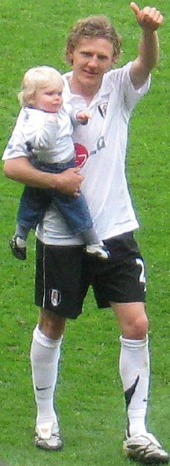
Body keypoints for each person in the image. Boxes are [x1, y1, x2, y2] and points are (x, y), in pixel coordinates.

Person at [3, 2, 169, 463]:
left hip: (115, 229)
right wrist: (57, 182)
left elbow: (146, 64)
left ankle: (138, 431)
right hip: (60, 236)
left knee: (136, 323)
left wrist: (147, 32)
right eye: (85, 55)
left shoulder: (120, 88)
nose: (93, 63)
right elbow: (11, 164)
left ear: (113, 58)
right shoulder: (47, 96)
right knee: (52, 324)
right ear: (70, 54)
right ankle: (45, 420)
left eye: (102, 55)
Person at [3, 65, 109, 261]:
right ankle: (93, 242)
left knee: (33, 200)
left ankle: (20, 236)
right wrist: (50, 126)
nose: (57, 98)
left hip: (62, 162)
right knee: (74, 203)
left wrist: (79, 118)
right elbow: (42, 143)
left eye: (59, 93)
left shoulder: (56, 108)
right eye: (50, 94)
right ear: (32, 98)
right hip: (53, 166)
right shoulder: (33, 119)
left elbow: (68, 116)